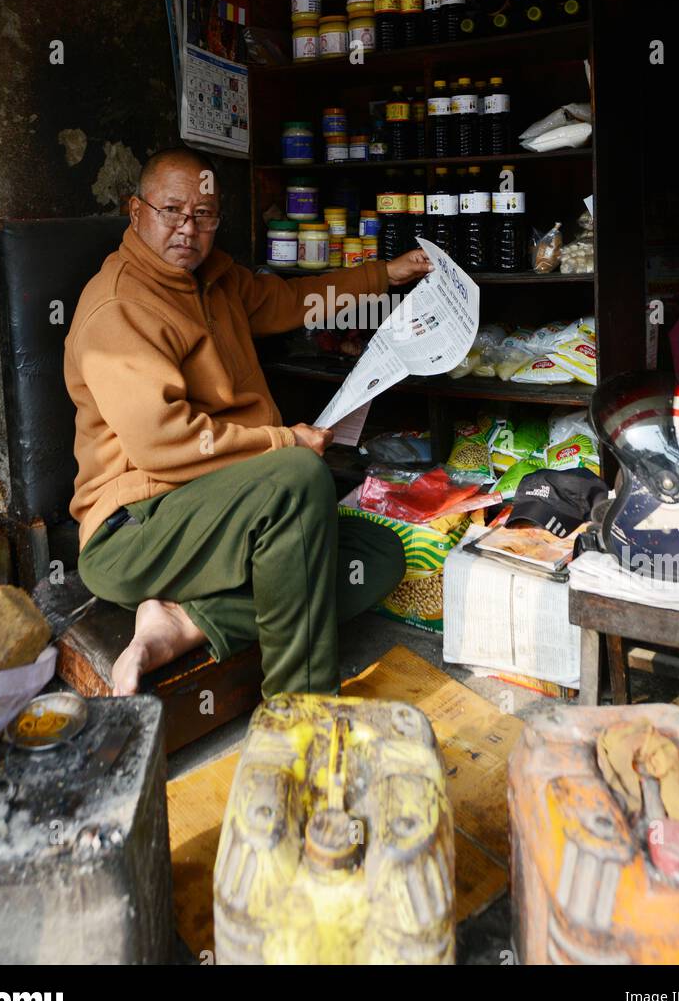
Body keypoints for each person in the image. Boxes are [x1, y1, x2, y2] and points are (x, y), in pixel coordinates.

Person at [63, 147, 433, 696]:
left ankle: (188, 623)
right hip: (136, 530)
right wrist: (284, 441)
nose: (188, 229)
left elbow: (290, 301)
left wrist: (387, 274)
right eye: (171, 212)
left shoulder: (215, 279)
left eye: (204, 216)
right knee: (299, 478)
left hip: (213, 508)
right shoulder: (119, 305)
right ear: (135, 211)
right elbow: (164, 444)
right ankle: (299, 708)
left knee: (377, 557)